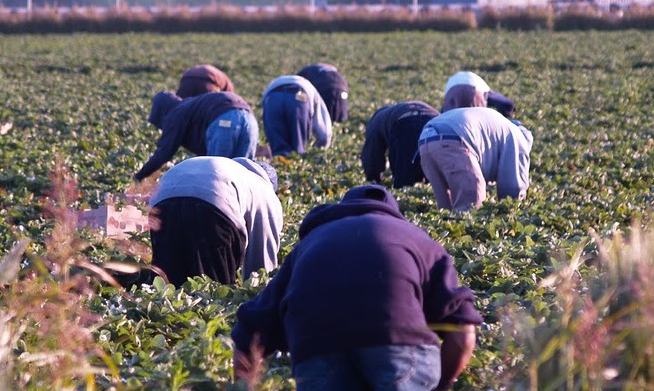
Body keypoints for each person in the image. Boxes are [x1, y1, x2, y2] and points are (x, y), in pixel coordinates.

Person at [231, 185, 481, 391]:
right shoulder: (416, 239)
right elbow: (464, 330)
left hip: (317, 346)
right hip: (398, 345)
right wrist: (440, 386)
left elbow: (250, 328)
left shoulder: (309, 245)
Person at [148, 156, 283, 286]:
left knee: (168, 278)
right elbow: (262, 263)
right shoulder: (265, 191)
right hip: (214, 205)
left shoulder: (231, 169)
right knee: (212, 286)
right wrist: (257, 294)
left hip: (162, 199)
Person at [418, 105, 532, 212]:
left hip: (425, 139)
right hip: (454, 138)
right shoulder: (518, 138)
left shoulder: (500, 126)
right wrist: (512, 210)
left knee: (445, 209)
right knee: (471, 206)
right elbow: (513, 188)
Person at [135, 91, 258, 181]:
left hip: (224, 120)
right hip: (250, 120)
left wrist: (139, 177)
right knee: (242, 175)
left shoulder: (175, 113)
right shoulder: (189, 106)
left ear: (161, 111)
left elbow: (164, 152)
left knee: (216, 176)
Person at [361, 101, 440, 188]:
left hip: (406, 122)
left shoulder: (376, 122)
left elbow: (372, 154)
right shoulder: (388, 114)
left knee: (405, 179)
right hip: (436, 120)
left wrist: (374, 178)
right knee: (436, 174)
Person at [260, 75, 332, 157]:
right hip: (299, 97)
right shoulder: (311, 89)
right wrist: (321, 146)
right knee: (297, 148)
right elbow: (321, 125)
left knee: (278, 149)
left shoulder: (276, 82)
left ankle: (279, 163)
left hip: (273, 97)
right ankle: (294, 160)